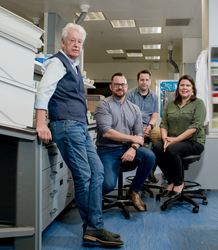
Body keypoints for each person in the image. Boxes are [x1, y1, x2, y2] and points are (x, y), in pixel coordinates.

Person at [34, 23, 124, 247]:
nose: (76, 45)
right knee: (84, 176)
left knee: (98, 171)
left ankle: (95, 225)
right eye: (72, 40)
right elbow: (43, 91)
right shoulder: (57, 62)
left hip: (79, 127)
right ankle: (93, 228)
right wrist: (41, 122)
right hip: (66, 126)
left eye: (79, 42)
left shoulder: (73, 67)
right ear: (63, 42)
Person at [95, 72, 155, 212]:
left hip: (128, 149)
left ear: (127, 87)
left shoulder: (134, 109)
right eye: (117, 84)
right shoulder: (103, 105)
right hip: (108, 150)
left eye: (122, 84)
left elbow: (139, 134)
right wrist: (132, 138)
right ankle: (87, 197)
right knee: (108, 186)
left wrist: (133, 148)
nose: (120, 87)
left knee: (149, 156)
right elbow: (106, 132)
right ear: (111, 86)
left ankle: (134, 190)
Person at [152, 75, 206, 199]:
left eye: (188, 85)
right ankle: (170, 181)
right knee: (157, 147)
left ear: (192, 88)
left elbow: (195, 127)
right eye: (182, 85)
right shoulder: (171, 104)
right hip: (172, 140)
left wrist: (175, 140)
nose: (184, 88)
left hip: (194, 142)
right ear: (178, 88)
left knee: (172, 149)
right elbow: (164, 124)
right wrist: (165, 139)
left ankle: (178, 183)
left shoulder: (198, 104)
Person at [126, 69, 161, 183]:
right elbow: (127, 114)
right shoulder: (130, 94)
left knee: (161, 139)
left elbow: (154, 116)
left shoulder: (155, 97)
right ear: (138, 81)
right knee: (130, 140)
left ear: (150, 81)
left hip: (149, 127)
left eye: (146, 80)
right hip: (132, 127)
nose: (144, 82)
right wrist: (139, 128)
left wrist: (149, 127)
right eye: (142, 80)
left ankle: (151, 169)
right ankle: (139, 170)